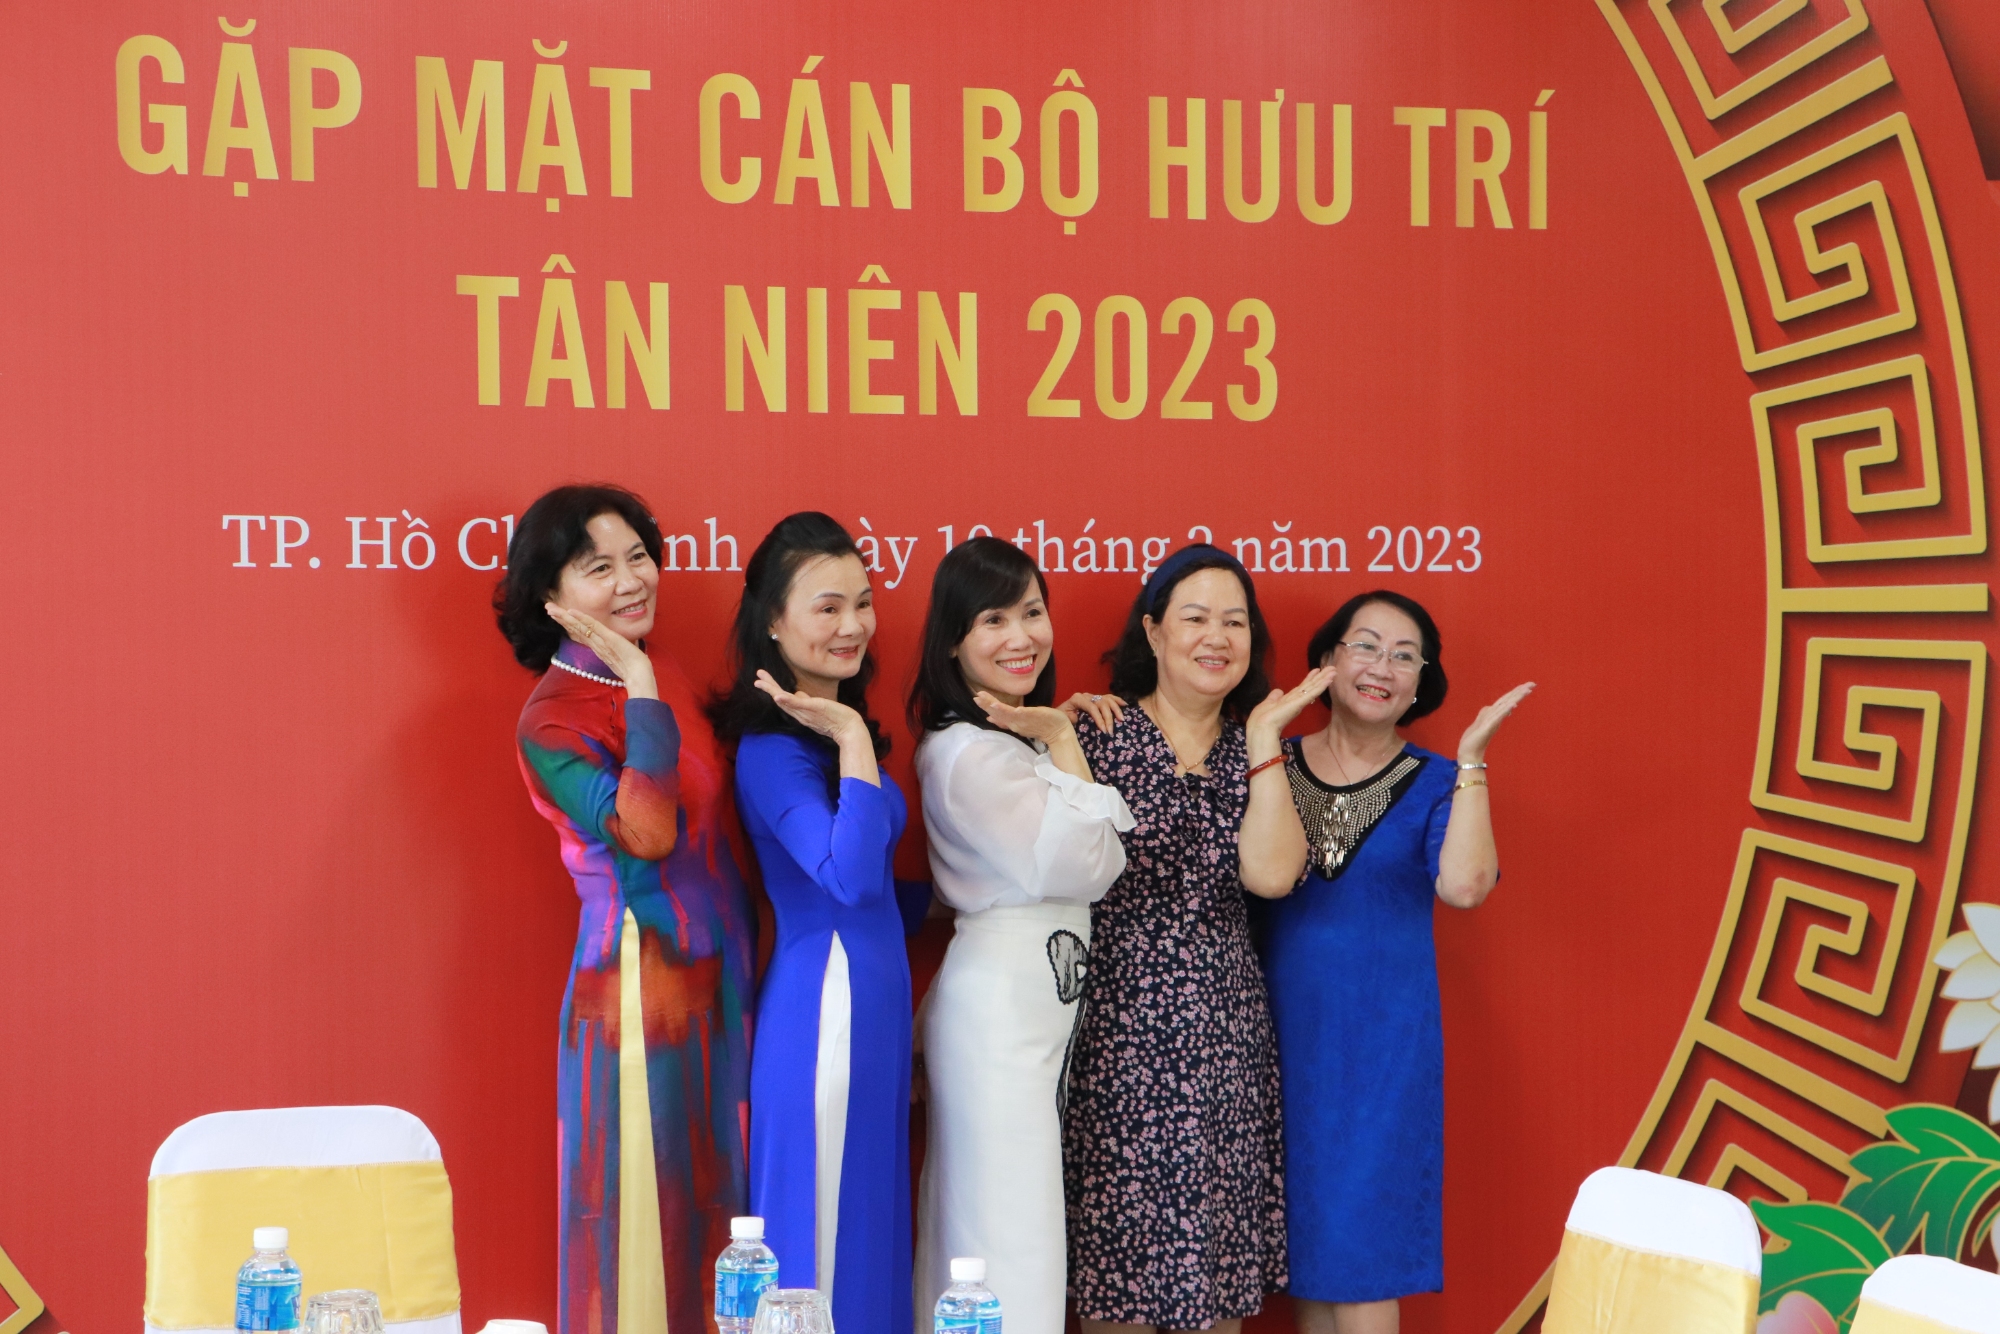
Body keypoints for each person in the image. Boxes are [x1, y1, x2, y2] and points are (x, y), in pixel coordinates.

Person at [497, 485, 756, 1334]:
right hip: (643, 994)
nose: (630, 580)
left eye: (638, 557)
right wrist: (640, 683)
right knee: (652, 1213)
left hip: (723, 977)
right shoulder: (551, 720)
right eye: (598, 567)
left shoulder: (665, 672)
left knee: (727, 1213)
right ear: (552, 596)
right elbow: (647, 832)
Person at [1061, 544, 1336, 1334]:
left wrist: (1263, 740)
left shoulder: (1262, 751)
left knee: (1214, 1283)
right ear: (1152, 632)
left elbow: (1272, 875)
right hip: (1116, 1036)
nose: (1216, 637)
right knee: (1116, 1276)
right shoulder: (1097, 734)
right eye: (1195, 618)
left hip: (1226, 1040)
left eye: (1234, 622)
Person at [1257, 592, 1531, 1334]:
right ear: (1328, 659)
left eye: (1405, 656)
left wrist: (1473, 761)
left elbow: (1465, 886)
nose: (1383, 667)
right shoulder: (1268, 761)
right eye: (1366, 646)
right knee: (1310, 1259)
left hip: (1382, 1053)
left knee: (1364, 1257)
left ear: (1420, 684)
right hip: (1274, 1046)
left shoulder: (1441, 780)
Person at [907, 538, 1136, 1334]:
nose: (1021, 636)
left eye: (1032, 612)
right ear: (953, 642)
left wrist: (1050, 734)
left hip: (1027, 1011)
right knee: (1007, 1241)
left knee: (1000, 1233)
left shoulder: (1006, 742)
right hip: (999, 1017)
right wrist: (1066, 744)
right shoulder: (968, 754)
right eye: (993, 620)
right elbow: (1091, 863)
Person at [708, 512, 927, 1334]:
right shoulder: (774, 751)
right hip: (825, 1010)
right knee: (820, 1245)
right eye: (827, 607)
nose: (853, 625)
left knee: (867, 1233)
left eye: (862, 603)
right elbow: (846, 878)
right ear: (772, 620)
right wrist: (851, 736)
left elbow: (879, 896)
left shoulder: (832, 739)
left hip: (871, 1004)